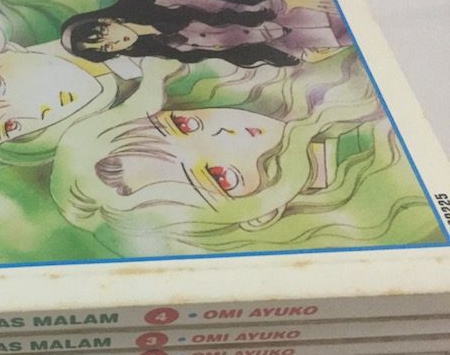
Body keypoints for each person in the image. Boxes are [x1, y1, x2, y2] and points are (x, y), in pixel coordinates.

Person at [49, 51, 441, 257]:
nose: (222, 134)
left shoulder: (301, 83)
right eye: (219, 175)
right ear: (260, 214)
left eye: (184, 125)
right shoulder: (399, 209)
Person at [60, 0, 350, 68]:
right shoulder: (172, 47)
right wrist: (301, 55)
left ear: (106, 21)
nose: (113, 44)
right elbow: (243, 47)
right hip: (307, 41)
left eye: (101, 36)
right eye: (105, 49)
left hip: (303, 10)